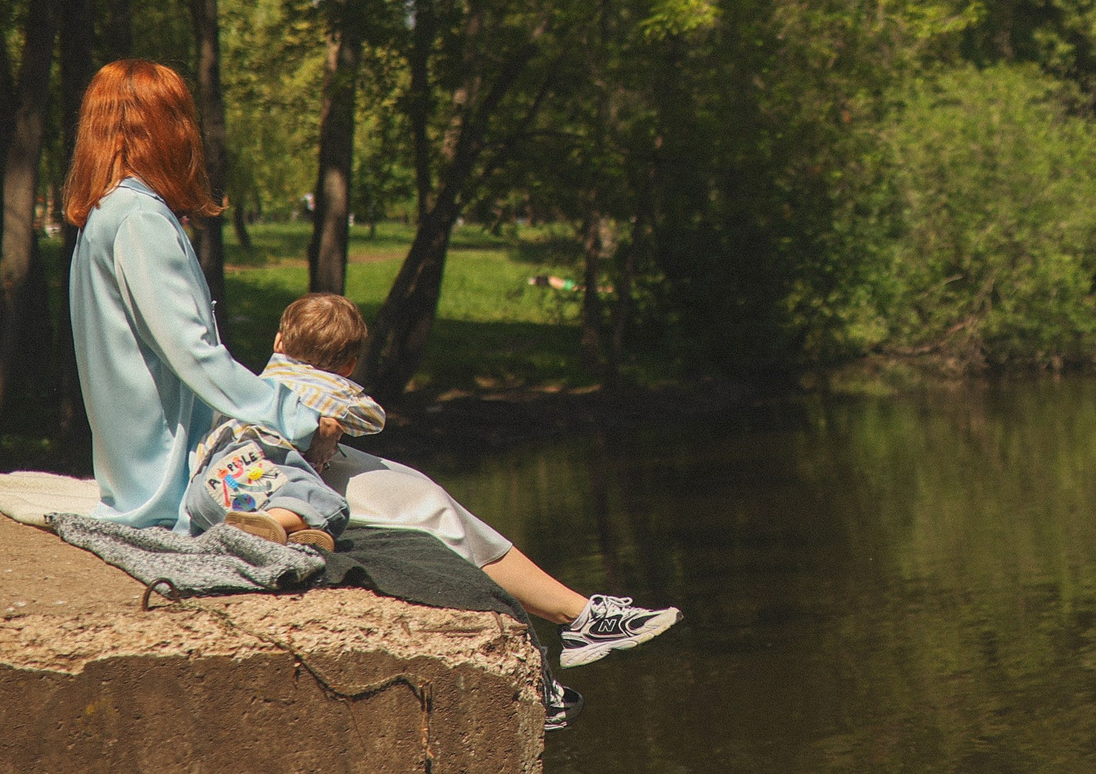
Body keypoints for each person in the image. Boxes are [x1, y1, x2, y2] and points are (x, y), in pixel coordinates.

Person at [64, 59, 679, 724]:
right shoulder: (140, 222)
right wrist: (299, 418)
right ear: (162, 128)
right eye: (182, 119)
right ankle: (572, 628)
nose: (194, 138)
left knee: (418, 495)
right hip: (192, 467)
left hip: (178, 455)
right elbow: (196, 357)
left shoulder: (107, 217)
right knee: (416, 506)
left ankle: (580, 615)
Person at [182, 293, 383, 552]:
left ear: (278, 342)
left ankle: (275, 531)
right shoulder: (336, 390)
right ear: (349, 366)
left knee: (225, 502)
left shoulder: (266, 377)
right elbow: (374, 420)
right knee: (326, 503)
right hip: (265, 458)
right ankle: (275, 522)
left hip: (212, 473)